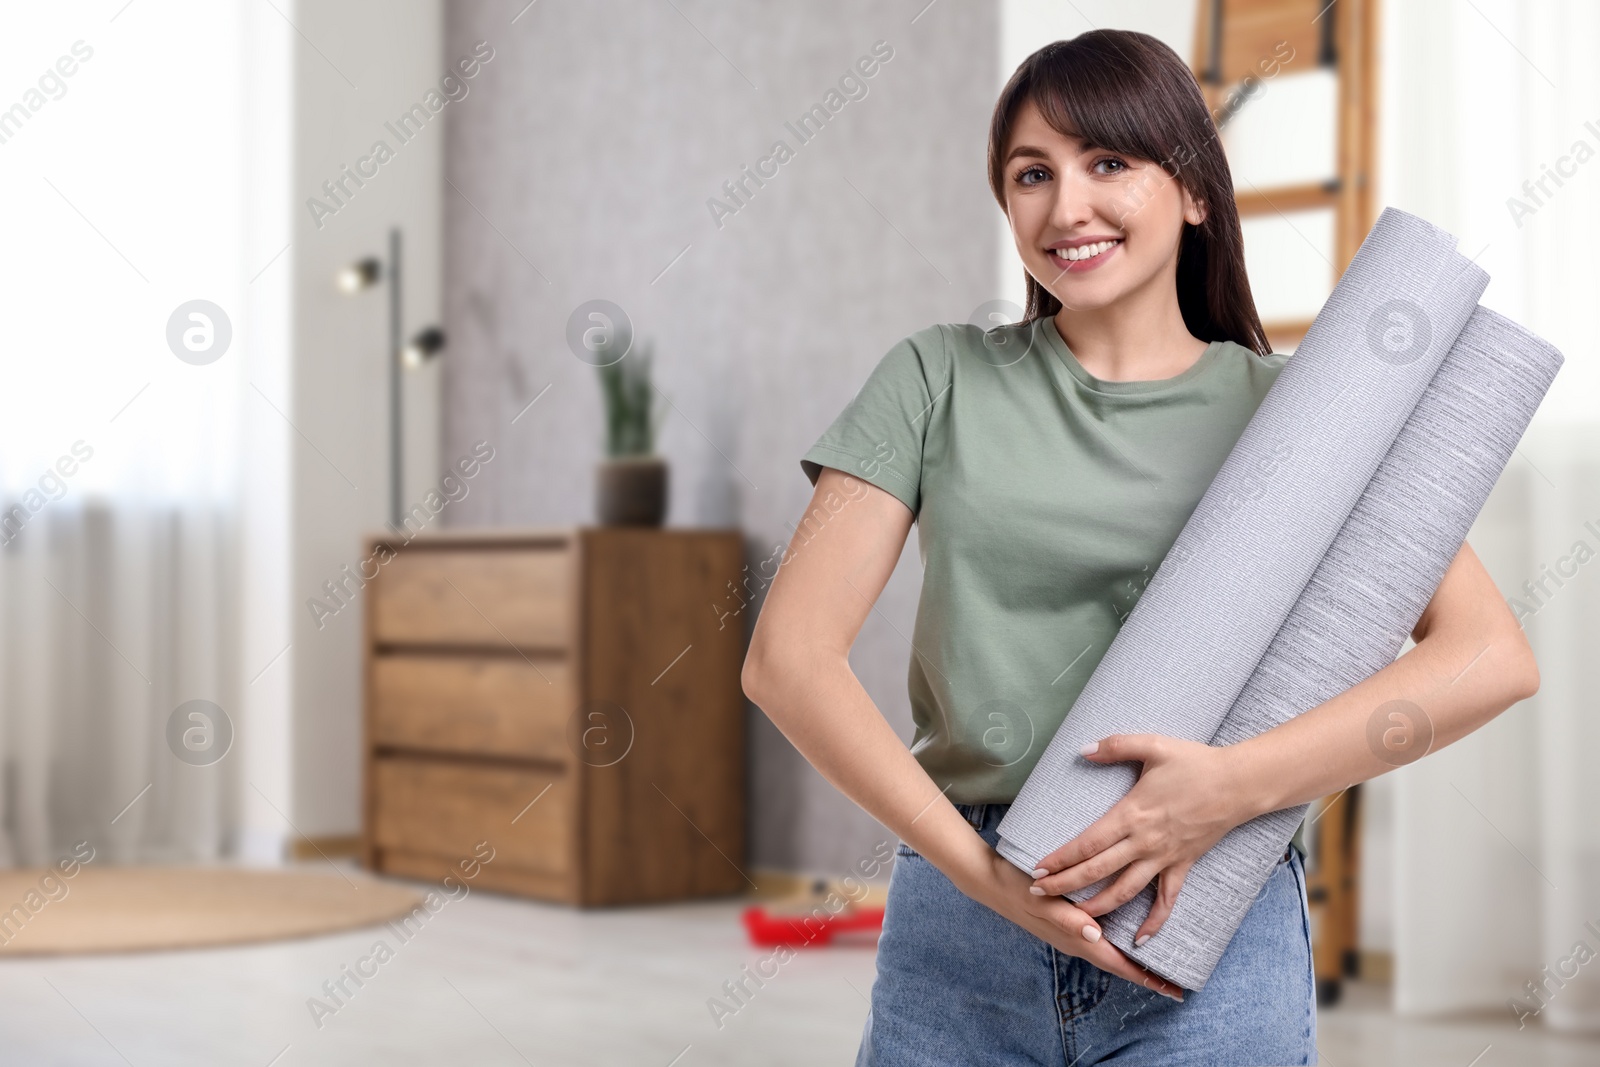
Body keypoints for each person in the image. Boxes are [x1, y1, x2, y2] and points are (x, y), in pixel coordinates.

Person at [740, 28, 1538, 1067]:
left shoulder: (1304, 411)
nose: (1065, 205)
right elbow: (786, 660)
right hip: (964, 919)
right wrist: (988, 881)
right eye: (1032, 173)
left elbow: (1488, 655)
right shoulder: (935, 378)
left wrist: (1231, 785)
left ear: (1195, 192)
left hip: (1205, 916)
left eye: (1107, 162)